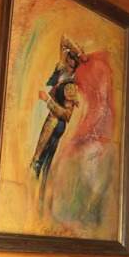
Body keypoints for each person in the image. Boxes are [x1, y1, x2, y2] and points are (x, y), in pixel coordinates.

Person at [30, 35, 86, 201]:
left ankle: (38, 193)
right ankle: (36, 192)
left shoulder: (70, 87)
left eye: (71, 66)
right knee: (39, 158)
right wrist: (78, 51)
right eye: (68, 63)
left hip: (56, 123)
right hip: (50, 118)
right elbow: (63, 39)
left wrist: (48, 101)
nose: (68, 68)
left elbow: (66, 115)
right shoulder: (61, 67)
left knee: (41, 160)